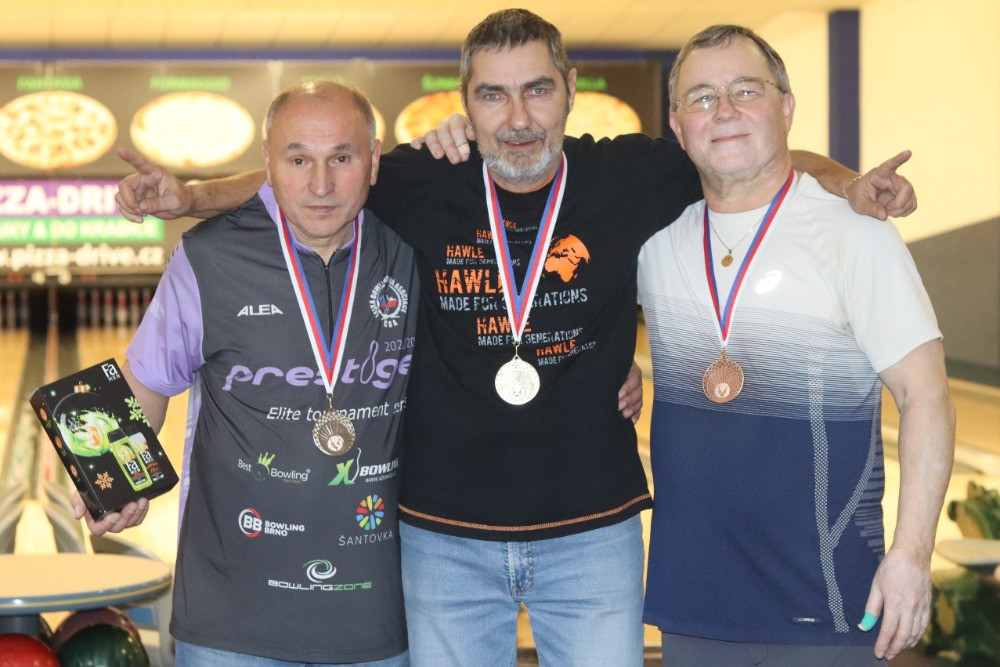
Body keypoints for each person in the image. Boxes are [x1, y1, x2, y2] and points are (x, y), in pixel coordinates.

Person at [112, 10, 918, 665]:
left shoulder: (635, 174)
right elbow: (313, 169)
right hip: (442, 536)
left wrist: (849, 186)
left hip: (593, 531)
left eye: (537, 90)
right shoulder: (422, 178)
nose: (519, 117)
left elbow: (762, 160)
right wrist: (191, 197)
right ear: (464, 104)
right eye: (493, 96)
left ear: (570, 90)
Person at [636, 25, 955, 665]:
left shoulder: (856, 236)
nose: (724, 110)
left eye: (746, 90)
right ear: (677, 125)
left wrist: (912, 555)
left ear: (786, 106)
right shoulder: (654, 237)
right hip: (693, 605)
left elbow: (927, 398)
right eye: (701, 97)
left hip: (829, 604)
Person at [75, 81, 417, 665]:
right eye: (297, 160)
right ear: (268, 164)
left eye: (342, 158)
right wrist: (110, 481)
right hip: (228, 616)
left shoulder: (411, 249)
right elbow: (146, 381)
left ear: (374, 160)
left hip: (377, 615)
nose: (321, 184)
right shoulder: (206, 256)